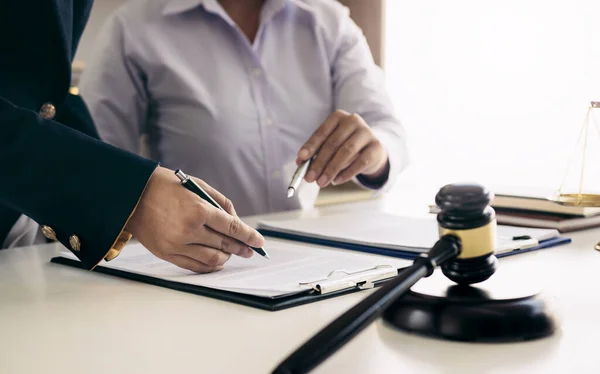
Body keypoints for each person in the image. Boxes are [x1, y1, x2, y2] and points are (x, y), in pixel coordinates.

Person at [0, 1, 265, 274]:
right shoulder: (134, 26)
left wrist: (123, 192)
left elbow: (44, 88)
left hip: (28, 242)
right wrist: (128, 193)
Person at [79, 0, 409, 217]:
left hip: (306, 257)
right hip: (189, 267)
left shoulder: (329, 22)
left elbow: (387, 130)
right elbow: (95, 164)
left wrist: (374, 152)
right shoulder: (134, 29)